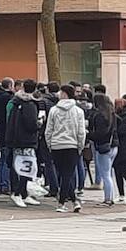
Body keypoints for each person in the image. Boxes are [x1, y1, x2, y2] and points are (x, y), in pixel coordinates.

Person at [45, 83, 87, 213]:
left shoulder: (54, 110)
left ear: (64, 94)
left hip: (57, 145)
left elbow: (48, 130)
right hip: (72, 145)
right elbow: (81, 131)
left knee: (63, 174)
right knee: (67, 174)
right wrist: (80, 146)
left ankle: (70, 201)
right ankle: (64, 202)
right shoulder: (78, 111)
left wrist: (50, 144)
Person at [2, 79, 42, 207]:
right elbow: (31, 124)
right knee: (27, 167)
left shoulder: (15, 101)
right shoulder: (29, 104)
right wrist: (39, 123)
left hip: (15, 139)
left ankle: (22, 193)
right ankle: (18, 193)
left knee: (18, 165)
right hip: (26, 140)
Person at [87, 91, 118, 206]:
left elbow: (100, 134)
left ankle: (108, 199)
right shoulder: (112, 114)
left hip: (103, 146)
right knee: (109, 173)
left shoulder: (100, 115)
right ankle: (110, 196)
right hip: (113, 145)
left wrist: (88, 134)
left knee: (105, 173)